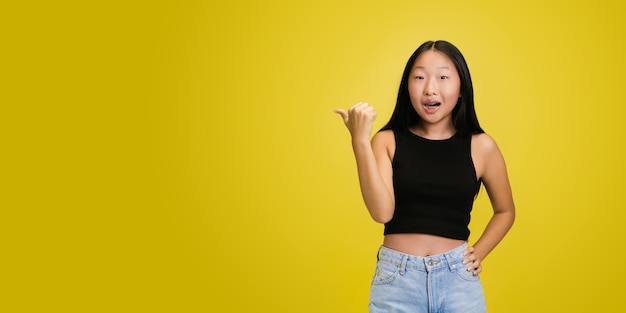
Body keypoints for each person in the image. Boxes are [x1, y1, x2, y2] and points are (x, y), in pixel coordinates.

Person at [334, 40, 515, 312]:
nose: (430, 88)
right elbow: (382, 213)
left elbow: (505, 211)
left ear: (461, 88)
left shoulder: (482, 146)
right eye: (419, 77)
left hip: (458, 282)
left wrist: (479, 252)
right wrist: (360, 141)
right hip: (397, 280)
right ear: (407, 87)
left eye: (443, 77)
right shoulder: (386, 141)